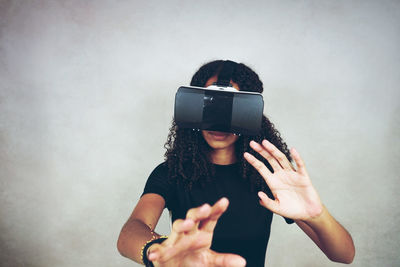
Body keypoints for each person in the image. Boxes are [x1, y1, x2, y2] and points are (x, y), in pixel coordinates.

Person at [117, 60, 355, 267]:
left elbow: (344, 255)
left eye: (230, 108)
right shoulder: (171, 172)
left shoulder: (271, 177)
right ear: (195, 109)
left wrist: (317, 215)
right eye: (211, 107)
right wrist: (160, 253)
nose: (219, 124)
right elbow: (132, 230)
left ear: (249, 114)